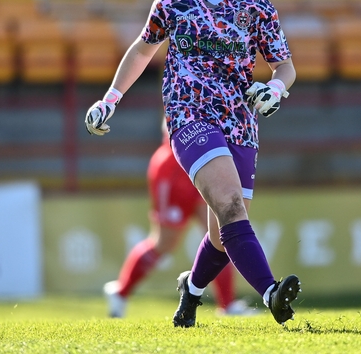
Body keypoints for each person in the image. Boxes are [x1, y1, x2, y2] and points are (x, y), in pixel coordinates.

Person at [85, 0, 301, 327]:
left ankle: (192, 291)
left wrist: (275, 90)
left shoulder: (256, 7)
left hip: (240, 120)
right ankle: (272, 293)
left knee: (224, 233)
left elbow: (285, 67)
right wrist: (111, 98)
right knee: (232, 206)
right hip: (189, 115)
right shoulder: (173, 0)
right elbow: (143, 49)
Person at [102, 122, 255, 318]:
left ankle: (227, 304)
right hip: (175, 167)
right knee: (164, 242)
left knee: (220, 234)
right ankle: (120, 292)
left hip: (206, 163)